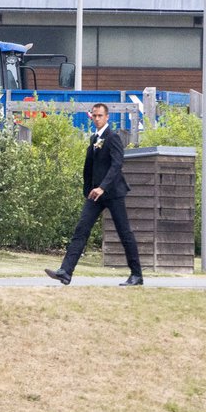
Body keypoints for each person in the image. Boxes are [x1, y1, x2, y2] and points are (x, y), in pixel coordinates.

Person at [45, 103, 143, 286]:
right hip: (95, 194)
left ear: (107, 117)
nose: (97, 119)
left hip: (113, 193)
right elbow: (89, 167)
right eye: (95, 116)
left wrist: (103, 187)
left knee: (124, 233)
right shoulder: (94, 138)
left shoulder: (113, 137)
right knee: (81, 229)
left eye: (100, 116)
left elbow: (116, 165)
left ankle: (137, 275)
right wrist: (88, 190)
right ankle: (66, 272)